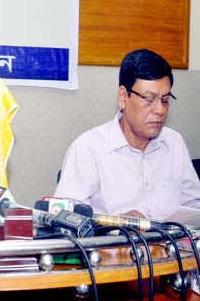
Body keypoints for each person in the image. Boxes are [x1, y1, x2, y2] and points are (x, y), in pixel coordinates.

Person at [54, 49, 200, 220]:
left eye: (165, 100)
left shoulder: (174, 142)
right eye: (149, 99)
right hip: (112, 245)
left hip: (169, 246)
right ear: (123, 97)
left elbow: (193, 207)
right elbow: (65, 221)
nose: (160, 110)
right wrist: (114, 225)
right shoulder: (88, 148)